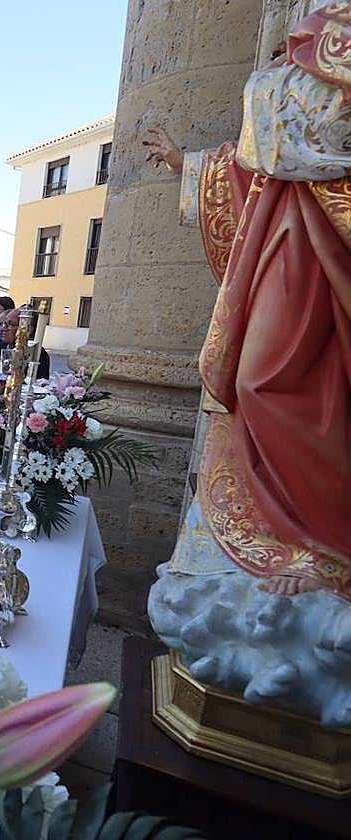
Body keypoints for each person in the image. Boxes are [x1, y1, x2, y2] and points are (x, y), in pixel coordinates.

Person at [140, 5, 351, 598]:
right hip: (287, 231)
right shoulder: (316, 32)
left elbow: (297, 129)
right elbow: (254, 160)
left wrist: (281, 97)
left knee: (294, 382)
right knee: (258, 378)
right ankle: (293, 534)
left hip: (322, 234)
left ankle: (325, 545)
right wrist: (191, 164)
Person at [0, 308, 50, 393]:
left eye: (10, 324)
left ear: (27, 329)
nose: (2, 329)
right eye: (2, 324)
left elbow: (36, 388)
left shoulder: (38, 355)